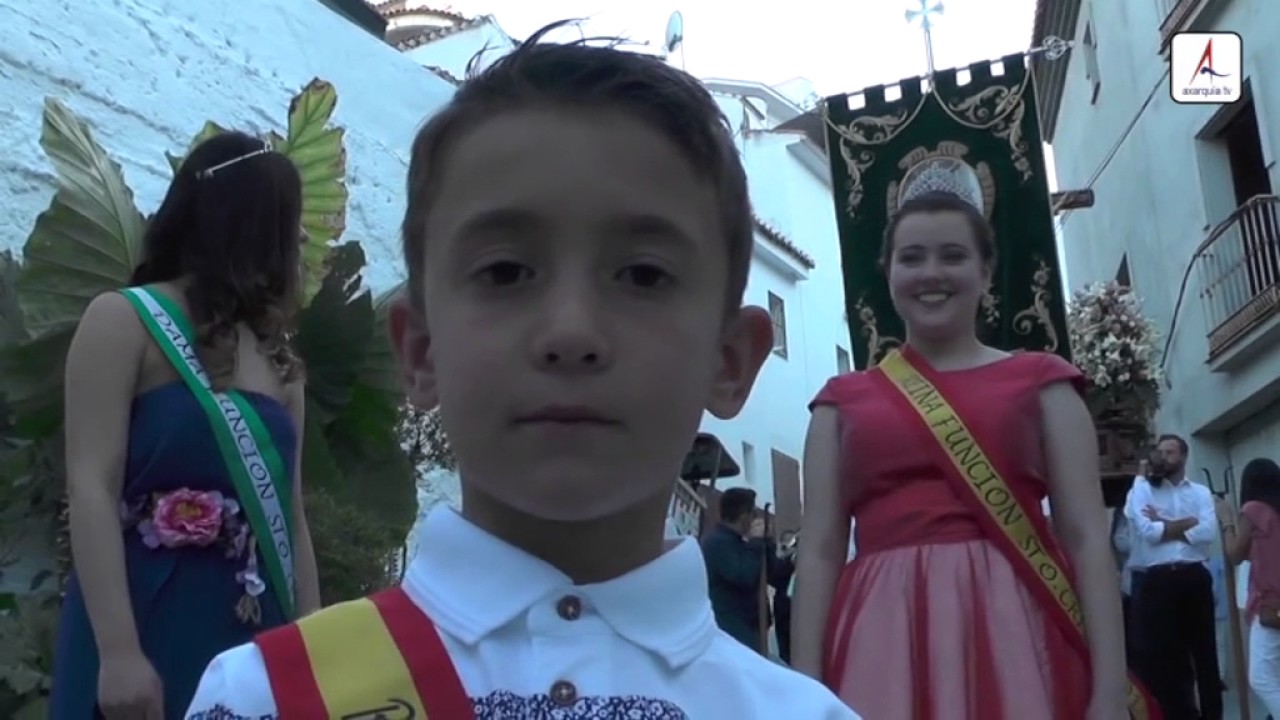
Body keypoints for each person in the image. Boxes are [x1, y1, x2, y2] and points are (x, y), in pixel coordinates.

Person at [184, 23, 857, 719]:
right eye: (506, 271)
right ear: (418, 351)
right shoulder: (267, 696)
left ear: (730, 361)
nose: (571, 332)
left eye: (644, 274)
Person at [791, 187, 1134, 719]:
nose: (932, 273)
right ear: (888, 273)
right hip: (881, 635)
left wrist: (1110, 687)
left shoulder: (1044, 382)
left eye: (953, 256)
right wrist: (801, 688)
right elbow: (818, 553)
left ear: (986, 273)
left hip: (1017, 626)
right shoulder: (839, 402)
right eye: (912, 257)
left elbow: (1088, 537)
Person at [50, 131, 321, 719]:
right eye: (288, 222)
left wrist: (310, 649)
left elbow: (292, 517)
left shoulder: (280, 360)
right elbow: (91, 486)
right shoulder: (124, 320)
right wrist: (118, 653)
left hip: (251, 627)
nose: (297, 241)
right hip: (141, 613)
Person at [1125, 435, 1222, 720]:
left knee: (1205, 652)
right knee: (1166, 657)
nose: (1163, 457)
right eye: (1160, 451)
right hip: (1159, 578)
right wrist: (1187, 523)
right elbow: (1148, 532)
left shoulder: (1200, 492)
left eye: (1170, 452)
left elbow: (1208, 533)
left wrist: (1164, 523)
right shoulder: (1143, 489)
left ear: (1183, 457)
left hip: (1194, 575)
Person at [1222, 457, 1280, 716]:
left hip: (1271, 604)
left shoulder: (1254, 509)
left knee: (1262, 679)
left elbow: (1235, 553)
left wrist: (1226, 522)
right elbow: (1252, 552)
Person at [702, 487, 775, 652]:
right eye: (752, 513)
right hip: (732, 628)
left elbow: (772, 572)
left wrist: (767, 543)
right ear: (743, 516)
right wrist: (756, 543)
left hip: (749, 626)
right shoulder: (717, 543)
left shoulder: (740, 543)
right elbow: (744, 575)